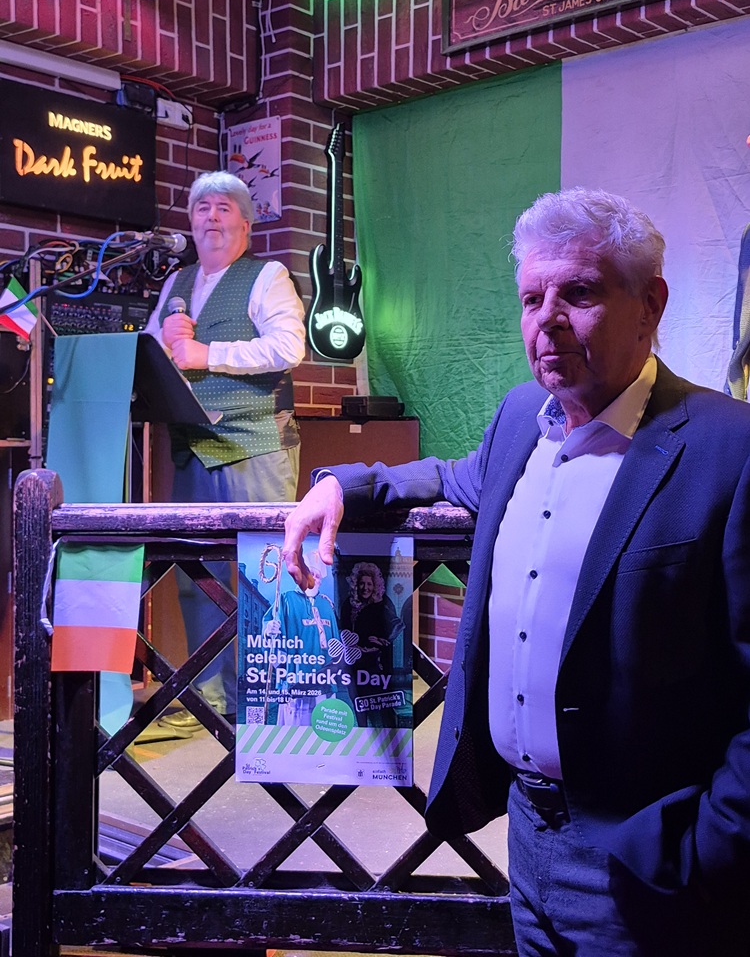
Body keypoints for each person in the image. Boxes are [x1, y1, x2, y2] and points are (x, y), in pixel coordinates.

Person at [281, 187, 750, 955]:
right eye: (532, 298)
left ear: (651, 305)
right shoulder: (518, 420)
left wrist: (712, 846)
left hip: (654, 860)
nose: (547, 319)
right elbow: (448, 477)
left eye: (579, 293)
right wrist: (343, 485)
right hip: (525, 839)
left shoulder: (730, 448)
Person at [144, 170, 305, 728]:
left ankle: (268, 700)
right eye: (201, 208)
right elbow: (155, 351)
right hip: (192, 447)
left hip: (254, 445)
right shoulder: (177, 282)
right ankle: (208, 699)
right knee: (198, 577)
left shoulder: (268, 276)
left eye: (223, 207)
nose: (210, 216)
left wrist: (205, 353)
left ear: (246, 222)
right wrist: (161, 351)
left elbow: (288, 347)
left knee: (264, 573)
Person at [260, 553, 347, 725]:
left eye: (317, 575)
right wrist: (269, 630)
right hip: (297, 679)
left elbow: (336, 643)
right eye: (309, 573)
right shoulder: (285, 599)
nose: (313, 579)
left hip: (324, 680)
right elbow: (268, 628)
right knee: (297, 725)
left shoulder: (327, 605)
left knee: (324, 725)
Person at [340, 561, 403, 726]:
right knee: (358, 703)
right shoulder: (348, 604)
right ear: (356, 584)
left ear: (375, 585)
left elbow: (397, 625)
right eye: (362, 583)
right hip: (353, 664)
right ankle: (363, 735)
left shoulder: (382, 603)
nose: (365, 588)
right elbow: (343, 629)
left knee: (381, 706)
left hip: (375, 665)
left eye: (369, 584)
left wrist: (382, 640)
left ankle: (389, 737)